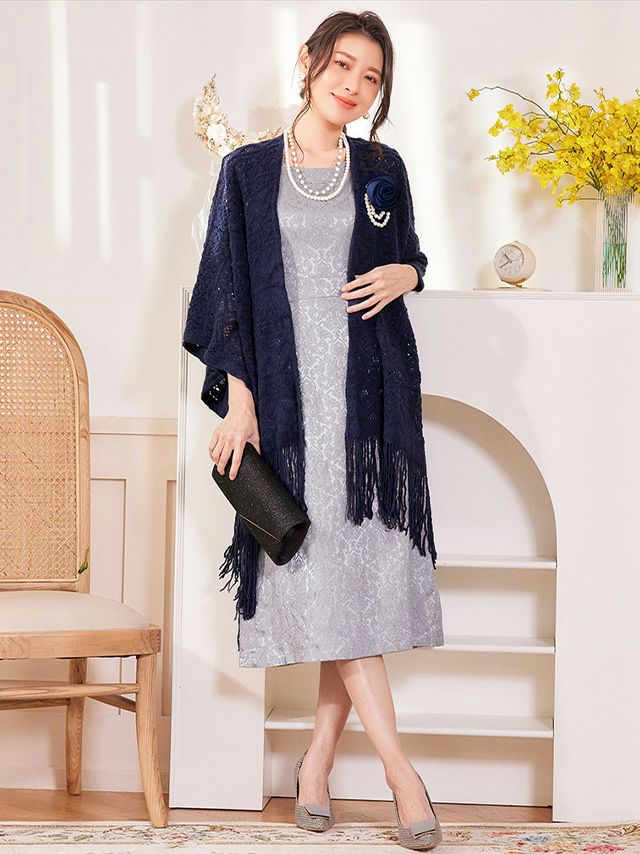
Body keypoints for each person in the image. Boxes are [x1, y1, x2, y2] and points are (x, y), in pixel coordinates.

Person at [189, 10, 444, 851]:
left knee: (350, 589)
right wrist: (241, 401)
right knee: (336, 585)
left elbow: (412, 254)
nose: (354, 86)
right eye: (343, 66)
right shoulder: (246, 170)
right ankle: (402, 775)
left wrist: (407, 273)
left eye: (371, 77)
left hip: (368, 408)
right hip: (291, 409)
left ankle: (317, 766)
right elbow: (225, 291)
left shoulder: (382, 169)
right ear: (308, 62)